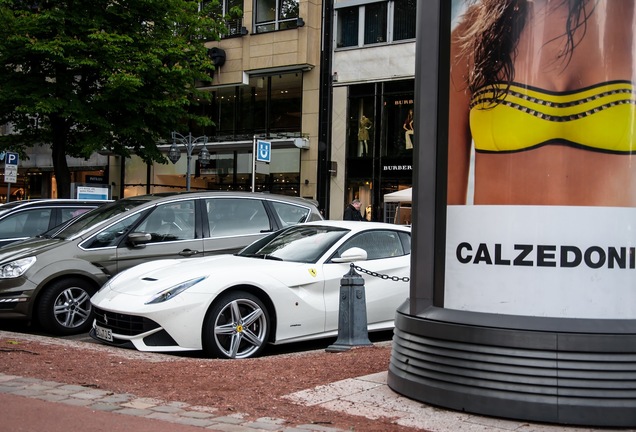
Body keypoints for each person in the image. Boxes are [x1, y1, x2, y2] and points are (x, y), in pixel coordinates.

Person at [448, 0, 636, 206]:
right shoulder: (470, 35)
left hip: (611, 236)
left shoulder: (630, 17)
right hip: (498, 236)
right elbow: (444, 212)